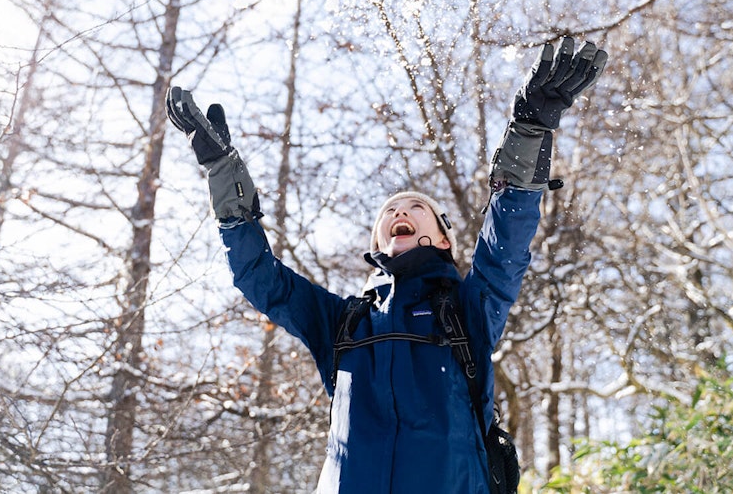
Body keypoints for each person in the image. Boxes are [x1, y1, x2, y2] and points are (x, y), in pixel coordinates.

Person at [167, 37, 607, 494]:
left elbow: (504, 245)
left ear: (442, 237)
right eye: (389, 212)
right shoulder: (344, 322)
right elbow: (259, 277)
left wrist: (530, 130)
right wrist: (222, 170)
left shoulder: (467, 309)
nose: (399, 213)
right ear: (377, 240)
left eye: (415, 207)